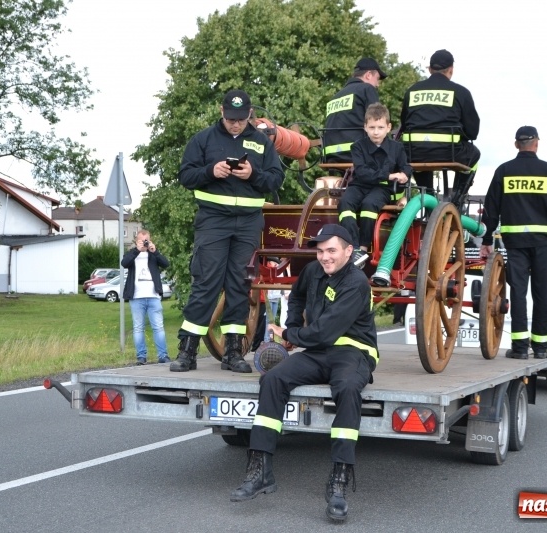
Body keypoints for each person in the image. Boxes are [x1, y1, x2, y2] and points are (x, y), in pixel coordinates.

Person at [230, 224, 378, 522]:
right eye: (321, 251)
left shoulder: (356, 282)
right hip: (318, 351)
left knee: (348, 389)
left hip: (353, 352)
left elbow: (325, 332)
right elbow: (296, 296)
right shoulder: (312, 272)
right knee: (272, 379)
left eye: (332, 250)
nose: (325, 257)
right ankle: (260, 470)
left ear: (349, 251)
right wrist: (293, 322)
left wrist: (290, 333)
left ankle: (338, 481)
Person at [174, 89, 285, 373]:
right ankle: (187, 350)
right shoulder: (203, 140)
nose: (235, 124)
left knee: (239, 286)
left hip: (248, 224)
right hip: (213, 221)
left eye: (240, 119)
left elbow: (276, 178)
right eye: (231, 118)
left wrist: (254, 175)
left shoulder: (261, 142)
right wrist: (211, 171)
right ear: (221, 111)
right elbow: (186, 176)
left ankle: (233, 351)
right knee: (206, 282)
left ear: (249, 114)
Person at [479, 126, 547, 359]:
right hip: (543, 244)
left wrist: (487, 238)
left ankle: (519, 348)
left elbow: (491, 208)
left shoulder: (504, 171)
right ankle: (540, 348)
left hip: (515, 243)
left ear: (516, 144)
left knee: (518, 292)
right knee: (544, 293)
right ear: (536, 143)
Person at [399, 49, 480, 204]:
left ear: (430, 69)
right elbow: (473, 132)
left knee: (420, 160)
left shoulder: (412, 91)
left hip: (414, 152)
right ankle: (456, 198)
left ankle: (428, 196)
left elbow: (404, 123)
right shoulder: (461, 92)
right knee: (475, 155)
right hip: (449, 153)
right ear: (451, 70)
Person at [339, 103, 411, 266]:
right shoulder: (357, 147)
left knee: (369, 204)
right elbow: (363, 172)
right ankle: (353, 247)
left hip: (382, 189)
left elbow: (406, 166)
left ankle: (363, 248)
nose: (376, 132)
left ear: (388, 127)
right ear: (365, 127)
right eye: (372, 127)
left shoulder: (397, 148)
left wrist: (405, 175)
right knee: (345, 203)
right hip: (359, 185)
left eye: (380, 127)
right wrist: (390, 175)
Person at [322, 58, 387, 163]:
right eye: (377, 78)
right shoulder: (367, 89)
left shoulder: (335, 97)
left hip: (331, 155)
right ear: (368, 75)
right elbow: (377, 121)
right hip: (356, 153)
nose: (377, 84)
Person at [121, 229, 171, 365]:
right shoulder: (132, 253)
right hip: (136, 297)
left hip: (153, 296)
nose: (144, 242)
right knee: (138, 328)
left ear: (150, 239)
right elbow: (124, 263)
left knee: (158, 327)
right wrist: (137, 250)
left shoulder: (153, 254)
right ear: (136, 240)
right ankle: (141, 357)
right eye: (141, 240)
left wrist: (155, 251)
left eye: (146, 240)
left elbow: (166, 264)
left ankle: (163, 355)